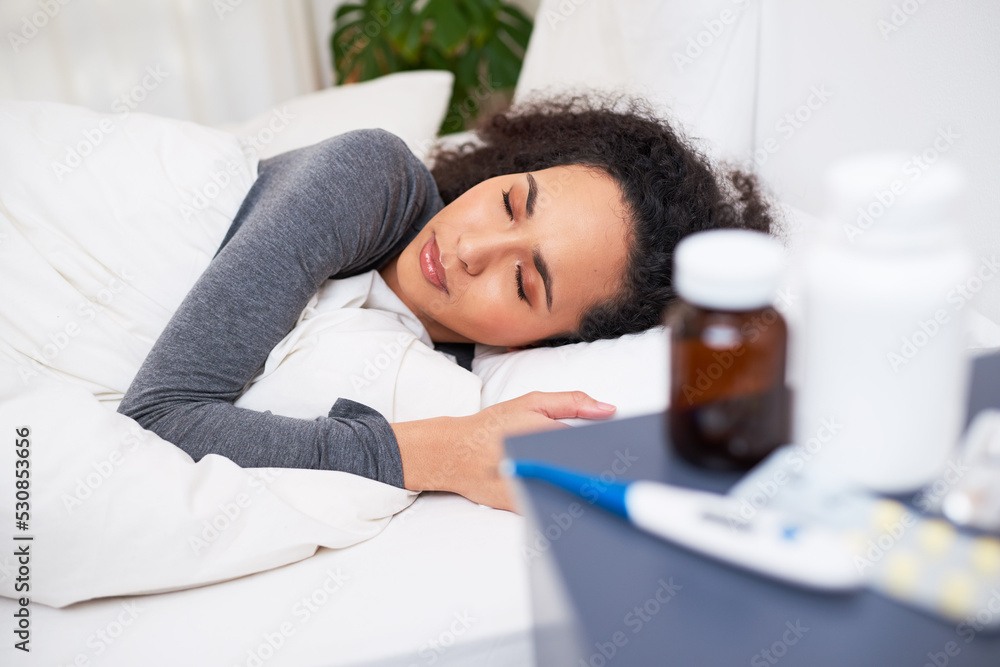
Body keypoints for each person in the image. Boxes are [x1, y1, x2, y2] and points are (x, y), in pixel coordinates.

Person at [118, 94, 774, 512]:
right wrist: (440, 453)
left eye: (524, 283)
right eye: (512, 201)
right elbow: (158, 416)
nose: (472, 248)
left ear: (545, 342)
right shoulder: (370, 177)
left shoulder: (442, 377)